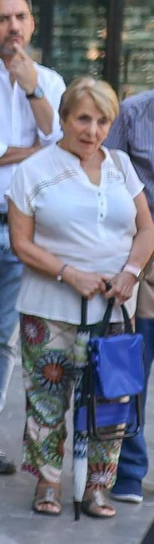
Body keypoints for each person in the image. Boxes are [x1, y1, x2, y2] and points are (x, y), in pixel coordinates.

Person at [8, 77, 154, 519]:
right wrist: (70, 274)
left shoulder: (122, 166)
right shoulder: (34, 169)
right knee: (48, 399)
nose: (92, 130)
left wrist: (130, 274)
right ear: (65, 119)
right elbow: (22, 243)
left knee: (111, 400)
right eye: (83, 119)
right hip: (48, 306)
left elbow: (146, 228)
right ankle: (48, 485)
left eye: (102, 120)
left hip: (114, 306)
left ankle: (97, 488)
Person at [0, 0, 66, 476]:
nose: (13, 28)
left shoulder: (48, 80)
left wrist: (31, 88)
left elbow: (63, 143)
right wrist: (34, 150)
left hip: (27, 231)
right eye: (3, 19)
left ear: (32, 22)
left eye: (21, 17)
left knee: (4, 339)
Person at [105, 87, 154, 503]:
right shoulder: (134, 112)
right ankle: (128, 472)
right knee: (134, 366)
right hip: (144, 253)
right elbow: (105, 172)